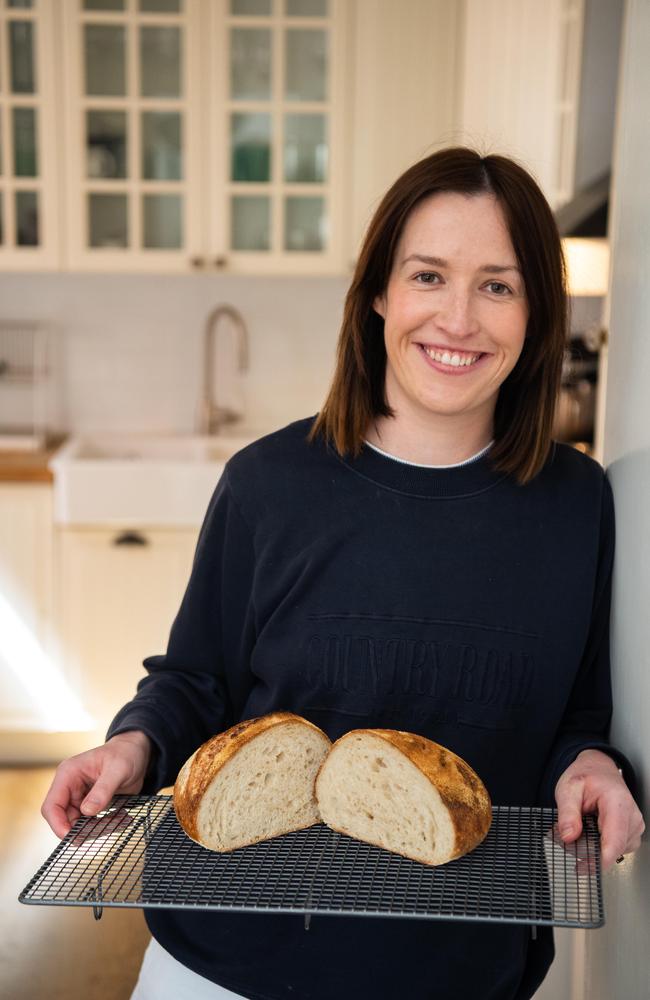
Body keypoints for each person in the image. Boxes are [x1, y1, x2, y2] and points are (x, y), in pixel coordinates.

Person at [42, 147, 644, 1000]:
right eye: (428, 276)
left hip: (461, 972)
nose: (459, 319)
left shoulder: (577, 505)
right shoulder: (269, 483)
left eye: (498, 286)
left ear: (538, 311)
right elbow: (196, 680)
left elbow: (574, 712)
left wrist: (590, 765)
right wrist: (132, 744)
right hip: (226, 966)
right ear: (378, 295)